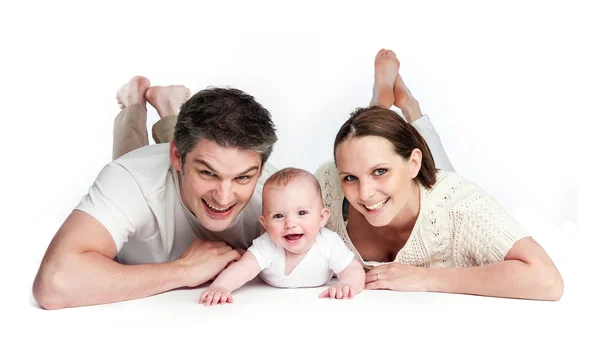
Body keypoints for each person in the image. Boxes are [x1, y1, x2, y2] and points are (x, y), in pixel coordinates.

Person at [314, 49, 564, 301]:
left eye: (380, 172)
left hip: (436, 197)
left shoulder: (459, 206)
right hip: (390, 162)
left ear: (414, 164)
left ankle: (409, 107)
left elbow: (547, 281)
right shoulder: (328, 185)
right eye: (349, 178)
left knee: (424, 167)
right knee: (367, 141)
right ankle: (379, 100)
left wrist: (424, 278)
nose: (365, 193)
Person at [32, 76, 279, 310]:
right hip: (147, 171)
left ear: (260, 170)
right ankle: (133, 104)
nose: (224, 198)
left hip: (174, 164)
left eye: (243, 177)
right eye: (208, 174)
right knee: (133, 158)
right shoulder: (131, 179)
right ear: (176, 156)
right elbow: (55, 283)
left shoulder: (274, 193)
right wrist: (183, 270)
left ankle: (169, 106)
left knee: (190, 154)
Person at [199, 168, 365, 306]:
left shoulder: (328, 243)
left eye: (302, 213)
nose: (290, 223)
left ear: (322, 218)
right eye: (278, 216)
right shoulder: (267, 244)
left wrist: (347, 284)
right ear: (265, 224)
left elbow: (353, 269)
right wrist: (221, 286)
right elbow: (243, 269)